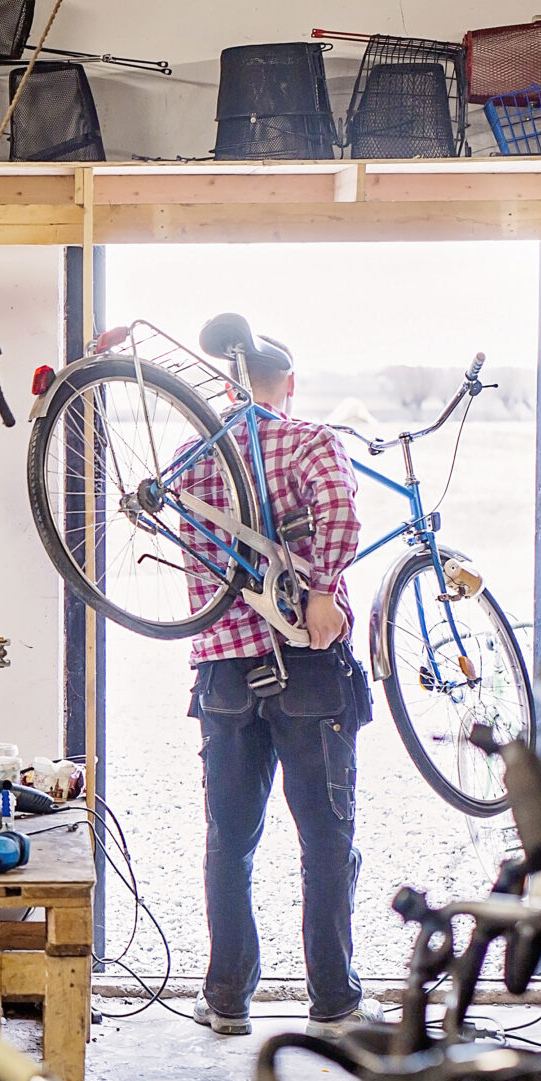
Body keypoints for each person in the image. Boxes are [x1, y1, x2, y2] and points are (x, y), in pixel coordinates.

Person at [123, 314, 380, 1039]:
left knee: (228, 844)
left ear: (230, 383)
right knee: (325, 842)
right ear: (288, 383)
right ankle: (333, 1003)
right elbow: (340, 512)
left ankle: (228, 999)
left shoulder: (190, 454)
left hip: (223, 671)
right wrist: (323, 588)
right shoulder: (307, 439)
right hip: (308, 665)